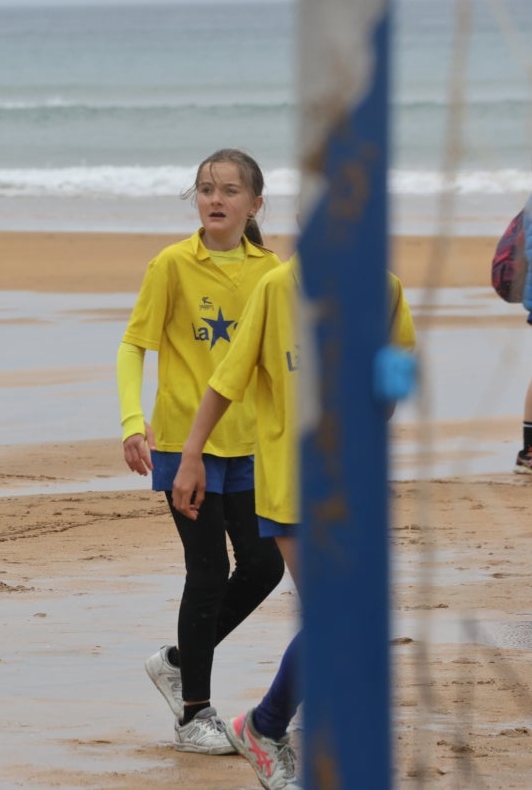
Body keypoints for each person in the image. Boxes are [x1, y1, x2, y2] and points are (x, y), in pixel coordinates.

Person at [172, 261, 415, 789]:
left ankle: (276, 724)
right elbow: (227, 380)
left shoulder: (385, 289)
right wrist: (192, 454)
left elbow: (397, 378)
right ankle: (267, 726)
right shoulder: (277, 288)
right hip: (291, 484)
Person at [117, 148, 286, 755]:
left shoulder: (270, 272)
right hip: (182, 446)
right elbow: (133, 345)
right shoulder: (171, 265)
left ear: (255, 204)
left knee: (265, 567)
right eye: (206, 188)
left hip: (250, 447)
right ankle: (195, 713)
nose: (216, 199)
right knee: (209, 570)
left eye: (230, 190)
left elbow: (278, 364)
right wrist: (133, 421)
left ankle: (179, 661)